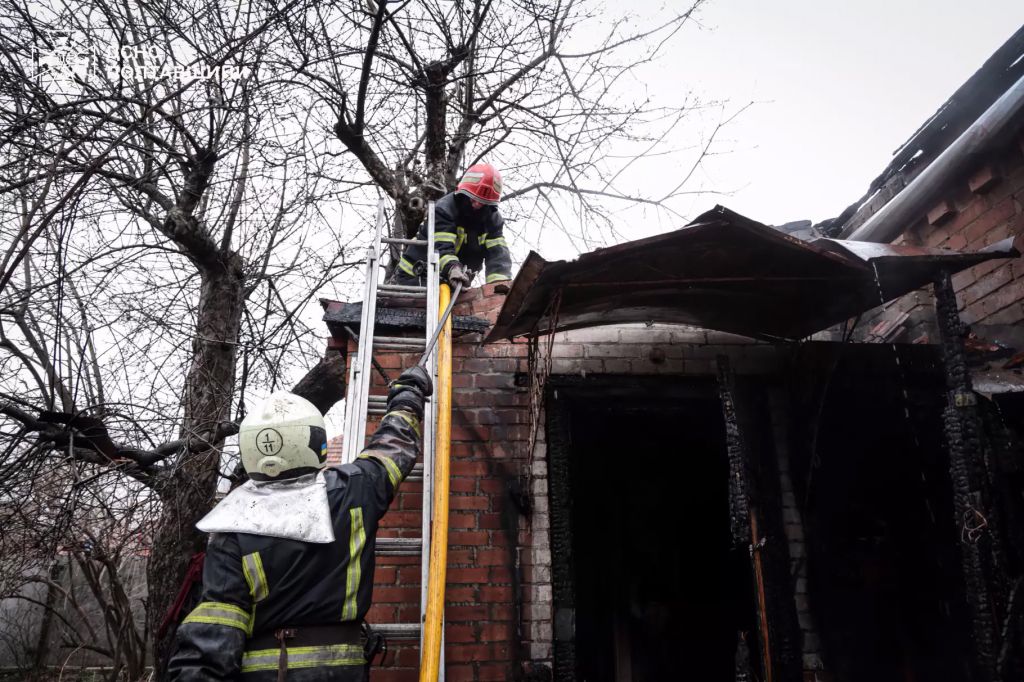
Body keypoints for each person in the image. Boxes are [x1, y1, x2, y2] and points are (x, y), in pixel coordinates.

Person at [167, 365, 432, 681]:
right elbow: (393, 448)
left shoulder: (231, 526)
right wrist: (407, 396)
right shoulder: (353, 491)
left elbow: (212, 635)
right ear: (315, 442)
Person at [392, 162, 512, 290]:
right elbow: (441, 248)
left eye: (483, 202)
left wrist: (499, 287)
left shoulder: (493, 221)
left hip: (449, 281)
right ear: (464, 193)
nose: (477, 204)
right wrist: (453, 268)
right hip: (413, 275)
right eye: (473, 199)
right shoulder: (444, 210)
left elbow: (498, 257)